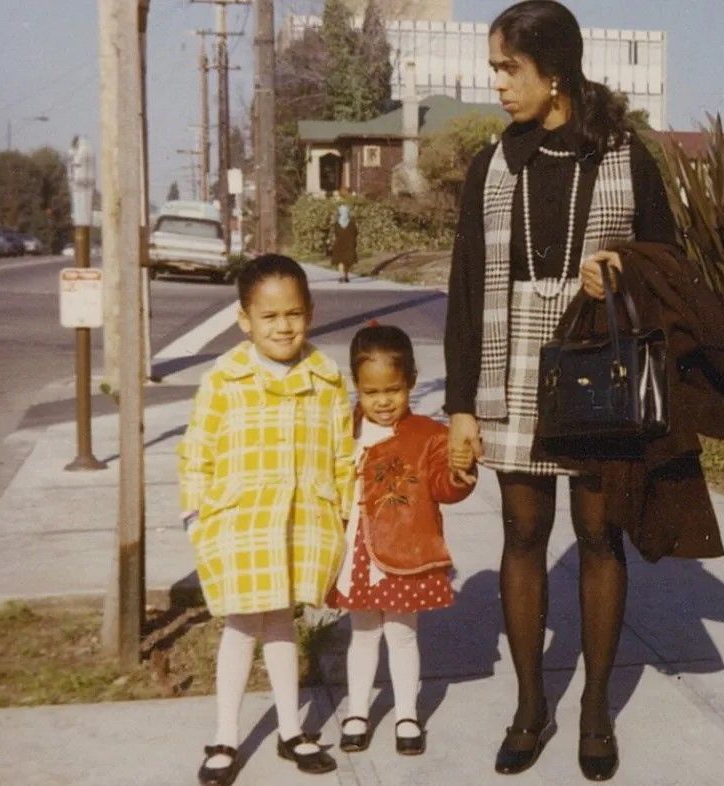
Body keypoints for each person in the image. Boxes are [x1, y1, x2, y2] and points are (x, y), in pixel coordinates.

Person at [443, 1, 683, 780]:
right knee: (520, 535)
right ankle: (529, 705)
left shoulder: (624, 155)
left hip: (595, 364)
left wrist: (618, 269)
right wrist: (457, 409)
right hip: (509, 364)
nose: (500, 85)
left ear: (555, 71)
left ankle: (594, 710)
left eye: (509, 69)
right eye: (496, 70)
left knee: (598, 535)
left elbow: (668, 263)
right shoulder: (492, 163)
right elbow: (466, 287)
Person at [179, 254, 354, 786]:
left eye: (294, 314)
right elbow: (197, 449)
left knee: (282, 623)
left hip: (301, 521)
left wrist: (343, 515)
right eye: (270, 316)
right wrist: (195, 512)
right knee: (240, 626)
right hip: (240, 522)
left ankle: (289, 728)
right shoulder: (225, 379)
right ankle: (226, 736)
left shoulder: (327, 379)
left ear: (310, 313)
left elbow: (342, 454)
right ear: (245, 319)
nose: (283, 326)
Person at [327, 324, 476, 756]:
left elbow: (444, 488)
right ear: (357, 387)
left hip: (405, 551)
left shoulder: (428, 435)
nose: (383, 401)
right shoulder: (345, 429)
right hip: (357, 550)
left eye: (393, 389)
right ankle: (357, 710)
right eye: (371, 393)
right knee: (363, 633)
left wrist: (459, 470)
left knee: (402, 634)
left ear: (411, 380)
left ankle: (407, 713)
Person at [330, 203, 358, 283]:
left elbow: (336, 233)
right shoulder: (352, 224)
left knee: (340, 261)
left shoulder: (336, 224)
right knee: (347, 261)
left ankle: (341, 276)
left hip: (339, 244)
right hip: (349, 244)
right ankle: (346, 276)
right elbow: (356, 233)